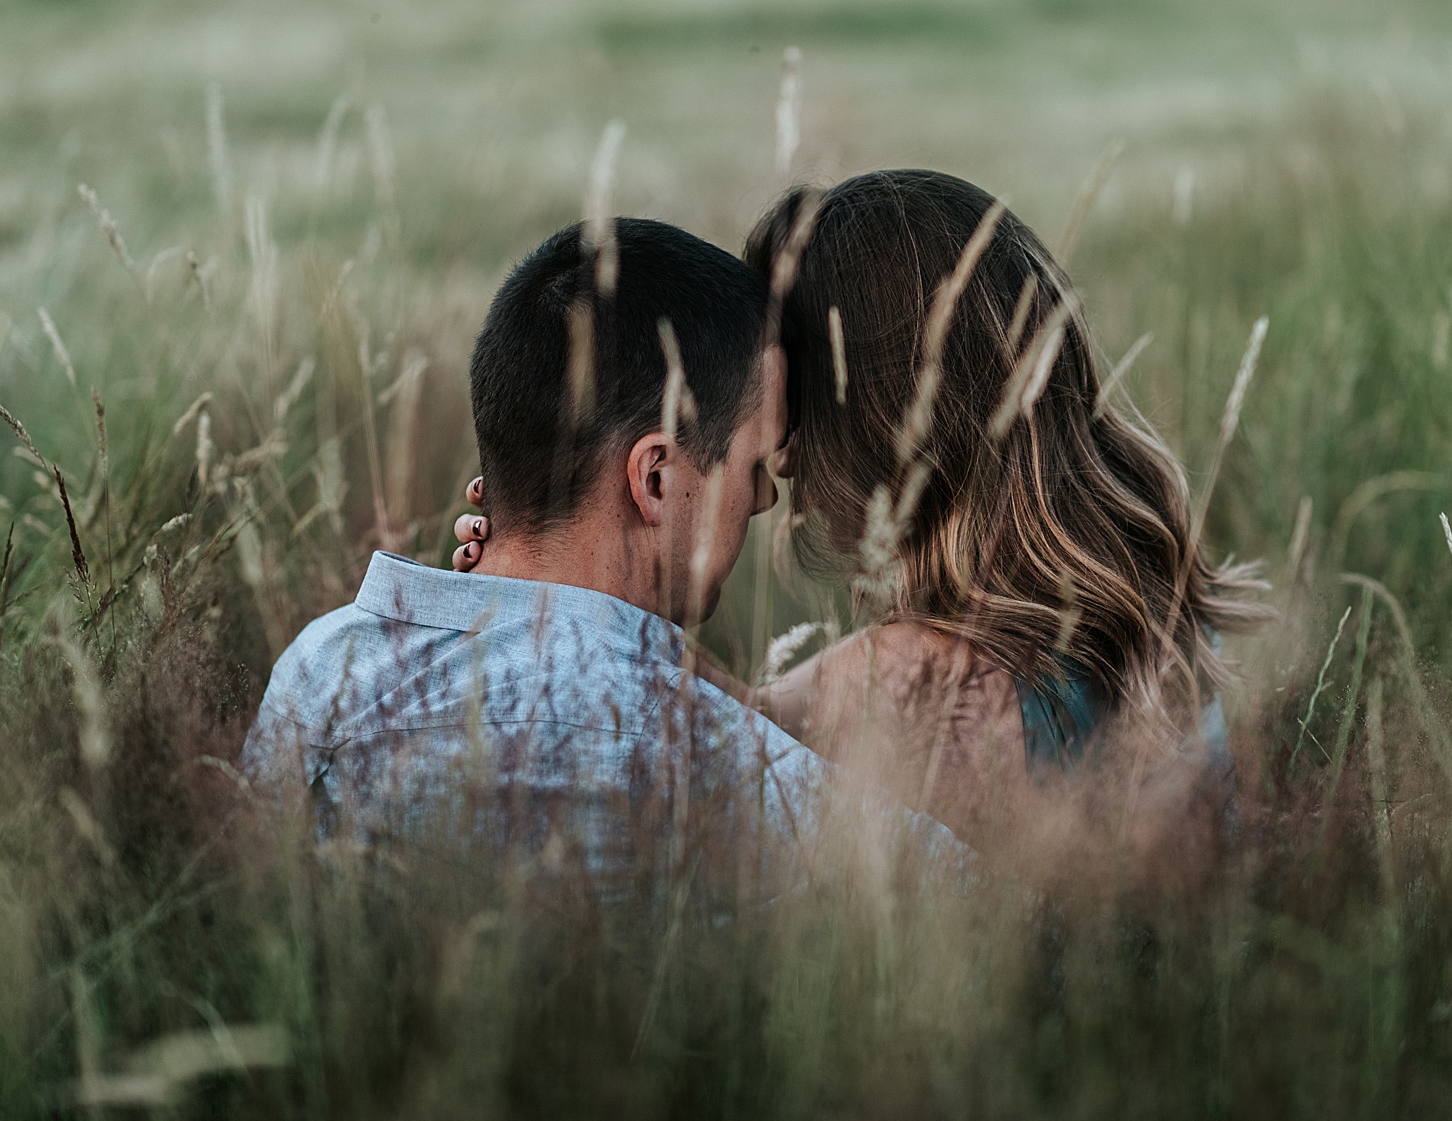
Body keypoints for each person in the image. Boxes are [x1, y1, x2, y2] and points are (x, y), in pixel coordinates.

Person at [455, 169, 1269, 895]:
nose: (779, 480)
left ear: (869, 429)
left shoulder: (925, 684)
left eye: (785, 421)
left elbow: (692, 712)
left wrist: (533, 563)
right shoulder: (1154, 606)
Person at [240, 217, 954, 887]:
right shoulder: (688, 746)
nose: (765, 500)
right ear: (655, 478)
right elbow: (1011, 922)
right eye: (751, 467)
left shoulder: (318, 664)